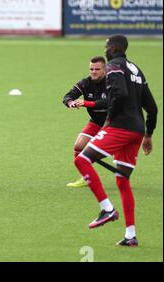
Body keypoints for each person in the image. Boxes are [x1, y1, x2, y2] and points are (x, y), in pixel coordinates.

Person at [74, 35, 158, 246]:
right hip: (137, 131)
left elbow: (118, 94)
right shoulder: (136, 70)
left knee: (81, 159)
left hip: (121, 127)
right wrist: (148, 134)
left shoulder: (113, 66)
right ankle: (130, 235)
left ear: (112, 48)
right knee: (122, 179)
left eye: (106, 46)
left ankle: (107, 209)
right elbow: (152, 106)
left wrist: (109, 120)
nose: (104, 49)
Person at [63, 56, 108, 188]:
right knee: (79, 145)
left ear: (104, 70)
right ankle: (86, 177)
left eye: (97, 69)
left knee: (112, 155)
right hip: (96, 122)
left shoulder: (112, 83)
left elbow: (109, 103)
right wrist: (70, 102)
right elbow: (67, 96)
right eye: (91, 69)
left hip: (115, 123)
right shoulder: (85, 83)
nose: (93, 71)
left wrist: (86, 103)